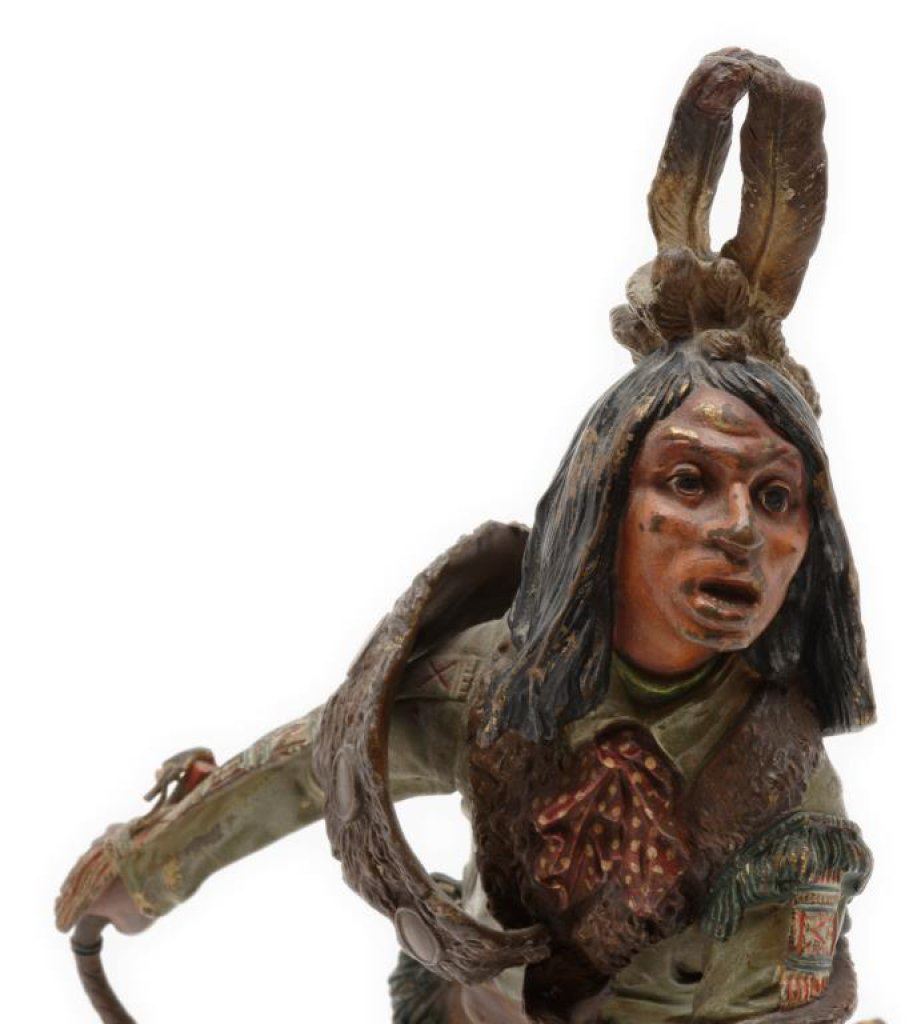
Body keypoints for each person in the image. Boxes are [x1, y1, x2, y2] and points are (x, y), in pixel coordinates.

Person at [57, 50, 876, 1023]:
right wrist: (149, 866)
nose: (739, 529)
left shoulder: (784, 774)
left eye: (777, 497)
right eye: (690, 481)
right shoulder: (497, 688)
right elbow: (319, 760)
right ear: (604, 501)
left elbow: (789, 997)